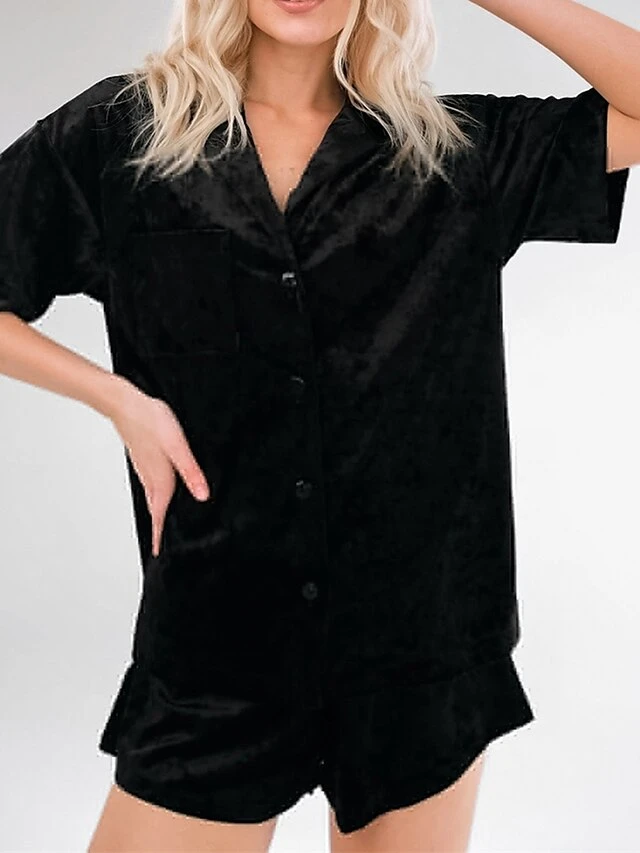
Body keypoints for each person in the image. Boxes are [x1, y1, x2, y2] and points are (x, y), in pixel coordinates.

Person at [0, 0, 638, 851]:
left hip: (419, 650)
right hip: (219, 645)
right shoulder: (122, 137)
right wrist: (118, 399)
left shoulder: (452, 153)